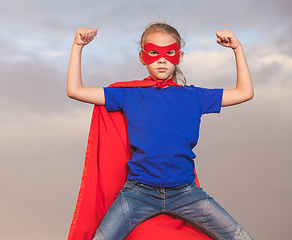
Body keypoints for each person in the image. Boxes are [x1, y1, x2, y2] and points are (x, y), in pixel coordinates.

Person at [67, 22, 253, 240]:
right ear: (142, 56)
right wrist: (77, 46)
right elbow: (75, 90)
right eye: (154, 52)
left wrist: (237, 48)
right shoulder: (130, 94)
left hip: (186, 194)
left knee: (241, 238)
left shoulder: (195, 97)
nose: (162, 59)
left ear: (180, 55)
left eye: (170, 52)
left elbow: (244, 92)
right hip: (138, 193)